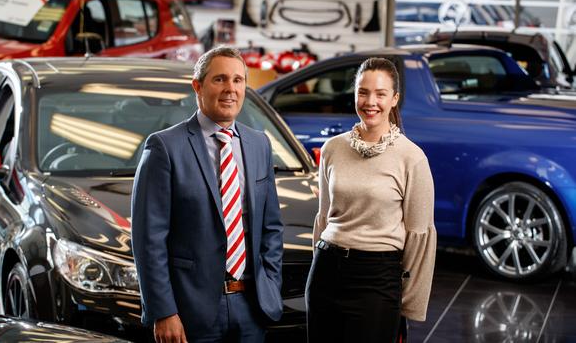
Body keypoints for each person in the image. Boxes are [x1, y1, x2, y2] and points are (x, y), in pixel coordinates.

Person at [131, 46, 283, 343]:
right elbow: (149, 240)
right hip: (190, 312)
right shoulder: (165, 147)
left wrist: (270, 285)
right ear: (197, 87)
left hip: (251, 307)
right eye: (220, 79)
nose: (230, 89)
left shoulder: (258, 145)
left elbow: (271, 227)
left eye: (238, 80)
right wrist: (163, 311)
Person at [305, 57, 436, 343]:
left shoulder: (411, 158)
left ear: (394, 99)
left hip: (377, 280)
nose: (370, 101)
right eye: (363, 92)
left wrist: (408, 302)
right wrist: (321, 262)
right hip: (326, 271)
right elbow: (323, 217)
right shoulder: (332, 149)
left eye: (380, 94)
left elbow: (419, 236)